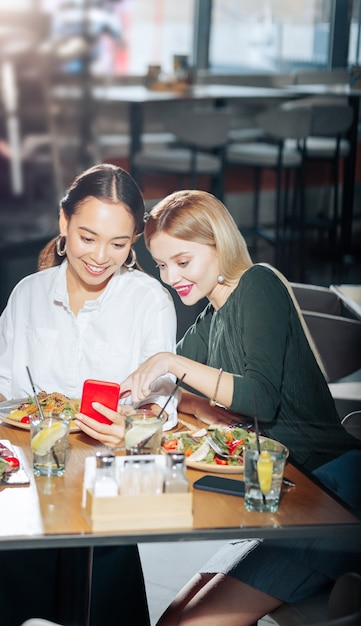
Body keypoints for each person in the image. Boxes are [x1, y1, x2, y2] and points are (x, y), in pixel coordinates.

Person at [0, 163, 179, 626]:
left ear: (134, 241)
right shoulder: (28, 293)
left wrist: (133, 423)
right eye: (87, 237)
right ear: (63, 224)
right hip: (32, 475)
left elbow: (161, 409)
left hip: (111, 482)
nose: (99, 256)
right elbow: (8, 394)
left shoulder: (148, 300)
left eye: (118, 244)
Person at [120, 189, 361, 626]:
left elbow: (259, 397)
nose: (171, 276)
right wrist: (188, 395)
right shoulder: (209, 320)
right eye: (162, 264)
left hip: (332, 495)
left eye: (183, 260)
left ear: (218, 244)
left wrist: (172, 363)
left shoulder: (259, 285)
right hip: (285, 494)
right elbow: (162, 385)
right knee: (171, 621)